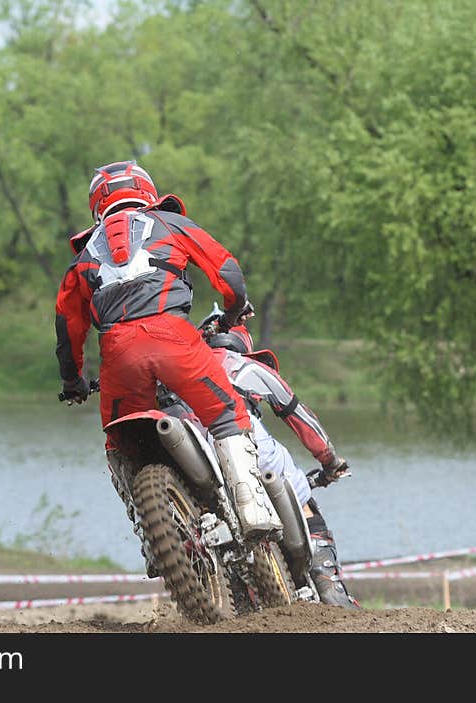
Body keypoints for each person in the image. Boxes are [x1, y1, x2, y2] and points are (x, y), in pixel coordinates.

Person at [54, 160, 280, 536]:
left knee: (121, 443)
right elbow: (225, 269)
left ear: (97, 204)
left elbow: (67, 328)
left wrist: (73, 380)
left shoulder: (81, 259)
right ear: (147, 191)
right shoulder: (168, 223)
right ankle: (252, 510)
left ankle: (149, 532)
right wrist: (235, 307)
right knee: (226, 415)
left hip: (117, 353)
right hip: (174, 338)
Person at [200, 319, 359, 608]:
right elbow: (299, 417)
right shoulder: (244, 366)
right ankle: (329, 587)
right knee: (302, 496)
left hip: (199, 454)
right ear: (242, 347)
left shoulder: (183, 366)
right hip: (243, 440)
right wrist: (330, 461)